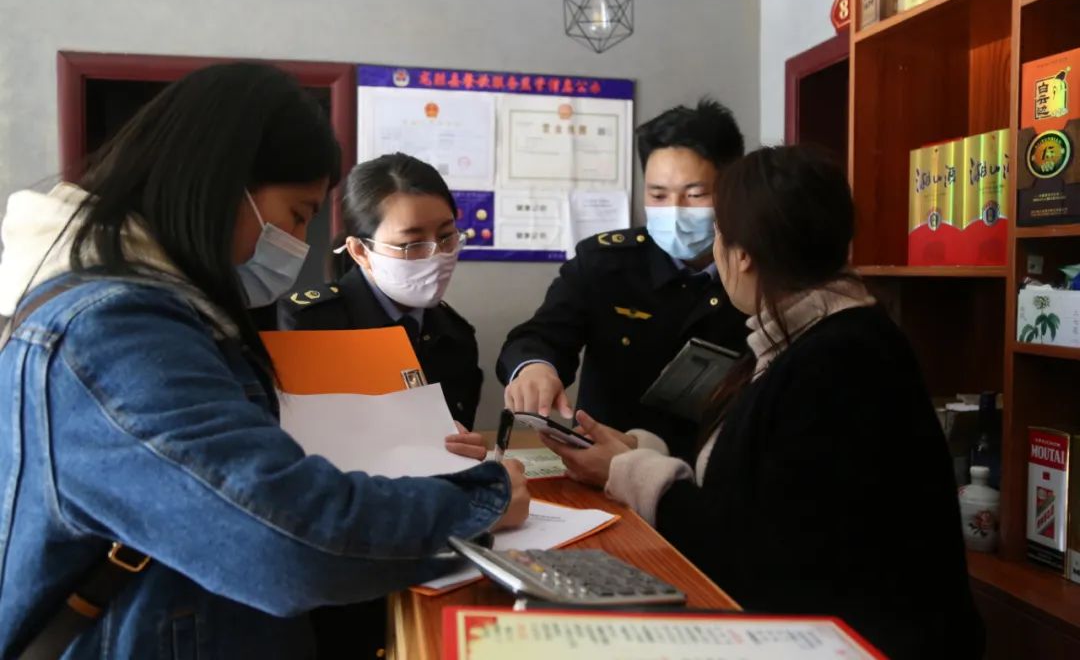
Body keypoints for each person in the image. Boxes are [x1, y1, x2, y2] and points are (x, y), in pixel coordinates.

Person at [0, 63, 529, 659]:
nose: (297, 244)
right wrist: (476, 504)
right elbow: (283, 539)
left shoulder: (161, 312)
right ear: (223, 185)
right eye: (298, 214)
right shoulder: (113, 330)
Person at [538, 146, 985, 659]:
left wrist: (627, 470)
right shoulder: (816, 333)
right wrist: (638, 452)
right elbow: (758, 488)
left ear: (743, 254)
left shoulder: (838, 358)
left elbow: (750, 551)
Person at [497, 99, 748, 458]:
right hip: (607, 465)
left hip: (715, 468)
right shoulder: (606, 263)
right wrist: (535, 367)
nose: (674, 211)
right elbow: (540, 335)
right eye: (658, 194)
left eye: (695, 195)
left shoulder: (758, 270)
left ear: (733, 189)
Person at [279, 153, 484, 434]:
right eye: (412, 244)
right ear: (360, 251)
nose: (436, 254)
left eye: (447, 236)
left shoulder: (455, 336)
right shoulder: (308, 325)